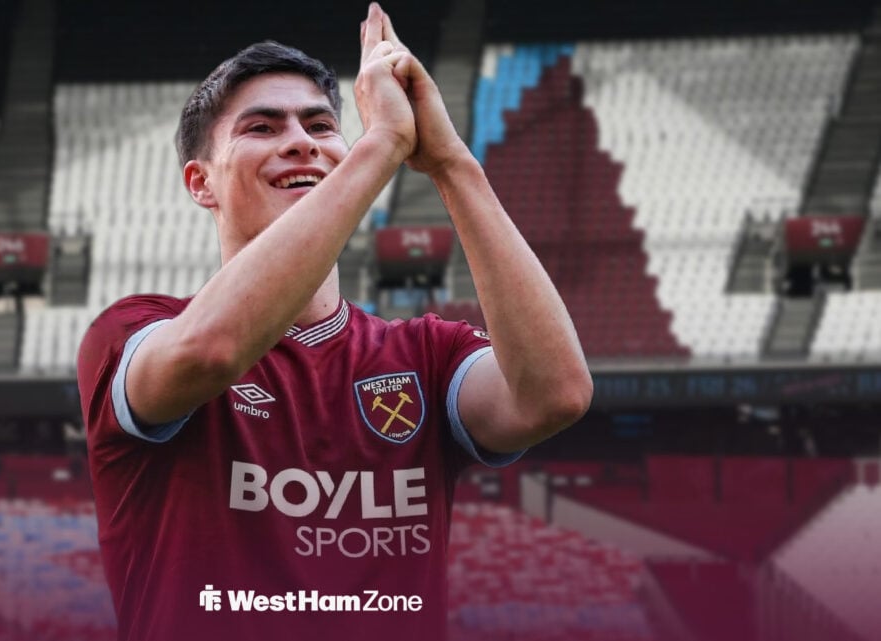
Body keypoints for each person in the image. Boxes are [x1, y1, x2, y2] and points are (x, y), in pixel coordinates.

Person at [77, 4, 591, 640]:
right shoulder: (132, 331)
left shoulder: (426, 354)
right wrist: (377, 148)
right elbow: (210, 354)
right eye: (261, 128)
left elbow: (555, 396)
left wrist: (450, 162)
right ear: (200, 182)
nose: (301, 140)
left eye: (321, 124)